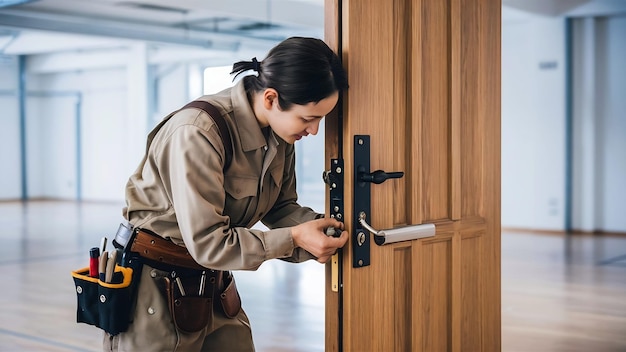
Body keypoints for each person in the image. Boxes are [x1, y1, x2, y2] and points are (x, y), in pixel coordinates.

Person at [105, 36, 349, 351]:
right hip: (155, 286)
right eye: (308, 118)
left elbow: (281, 208)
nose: (314, 131)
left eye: (321, 119)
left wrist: (322, 229)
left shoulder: (281, 134)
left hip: (214, 283)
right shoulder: (198, 133)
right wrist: (295, 239)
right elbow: (209, 242)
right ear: (271, 99)